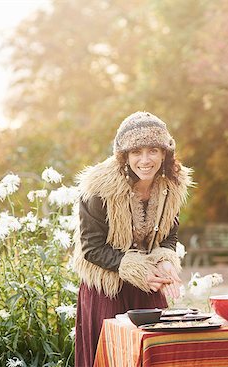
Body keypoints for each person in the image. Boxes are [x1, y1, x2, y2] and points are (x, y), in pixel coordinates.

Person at [72, 111, 193, 367]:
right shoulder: (98, 188)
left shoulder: (172, 186)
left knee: (153, 356)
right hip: (106, 288)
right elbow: (91, 248)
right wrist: (135, 268)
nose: (145, 160)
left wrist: (165, 262)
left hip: (147, 288)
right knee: (110, 359)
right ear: (124, 156)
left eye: (153, 150)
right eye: (136, 152)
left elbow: (169, 237)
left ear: (164, 153)